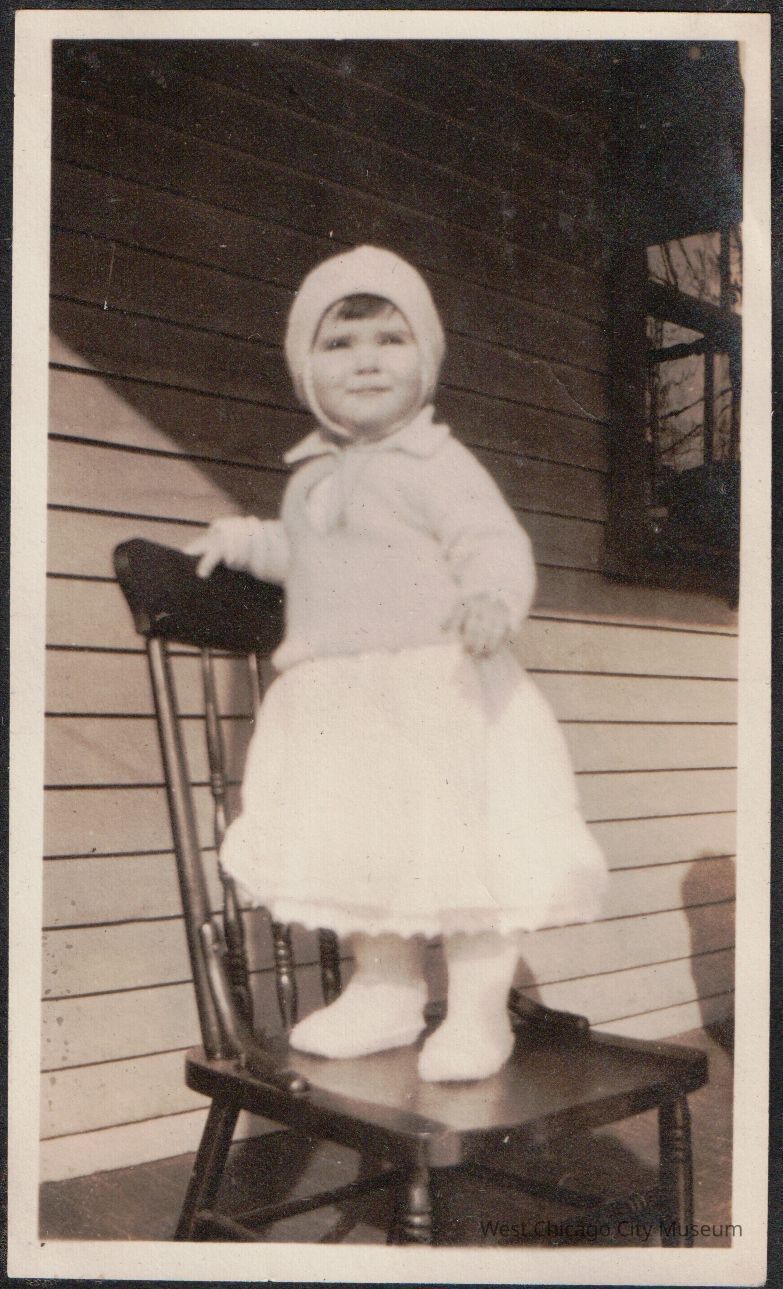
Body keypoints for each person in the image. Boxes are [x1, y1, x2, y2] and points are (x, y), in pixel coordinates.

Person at [187, 245, 607, 1082]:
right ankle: (384, 989)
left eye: (390, 338)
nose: (367, 360)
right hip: (339, 706)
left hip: (433, 691)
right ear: (305, 369)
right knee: (361, 847)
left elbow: (491, 542)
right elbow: (308, 555)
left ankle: (479, 1009)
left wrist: (491, 598)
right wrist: (243, 541)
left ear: (426, 359)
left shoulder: (434, 462)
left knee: (465, 853)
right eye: (339, 344)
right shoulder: (309, 478)